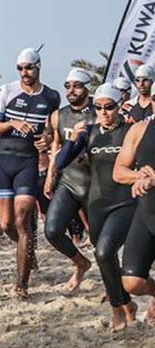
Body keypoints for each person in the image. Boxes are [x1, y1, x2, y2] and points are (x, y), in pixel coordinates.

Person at [55, 84, 136, 332]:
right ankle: (126, 304)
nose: (103, 112)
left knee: (103, 252)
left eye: (108, 107)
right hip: (97, 202)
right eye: (98, 107)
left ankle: (116, 309)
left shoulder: (131, 130)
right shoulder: (89, 133)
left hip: (125, 202)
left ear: (119, 106)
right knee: (105, 258)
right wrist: (71, 140)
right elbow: (61, 162)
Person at [0, 48, 60, 297]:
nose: (24, 72)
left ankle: (22, 283)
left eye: (29, 67)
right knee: (6, 224)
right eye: (20, 68)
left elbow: (53, 131)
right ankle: (27, 249)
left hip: (27, 162)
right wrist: (12, 123)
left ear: (38, 67)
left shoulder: (51, 96)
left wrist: (46, 139)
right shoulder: (7, 90)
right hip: (3, 160)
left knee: (22, 221)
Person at [43, 68, 96, 291]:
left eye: (77, 85)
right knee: (52, 231)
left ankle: (117, 287)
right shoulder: (58, 115)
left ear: (87, 88)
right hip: (69, 180)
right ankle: (81, 263)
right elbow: (55, 144)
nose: (71, 90)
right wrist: (50, 174)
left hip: (96, 182)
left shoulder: (100, 111)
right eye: (67, 86)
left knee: (102, 241)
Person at [113, 104, 155, 325]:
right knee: (131, 282)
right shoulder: (140, 129)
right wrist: (138, 176)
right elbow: (119, 171)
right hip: (147, 213)